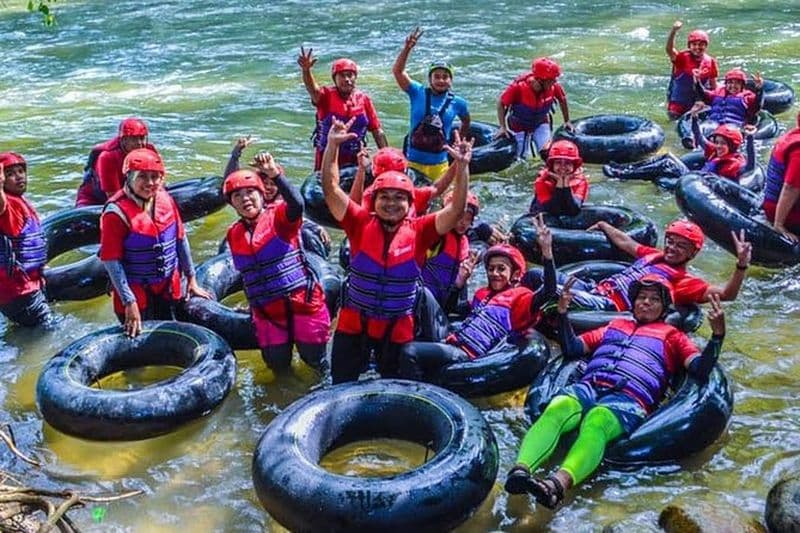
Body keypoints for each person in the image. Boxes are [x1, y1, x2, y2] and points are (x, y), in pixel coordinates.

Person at [505, 275, 727, 509]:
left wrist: (717, 336)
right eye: (642, 297)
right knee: (557, 408)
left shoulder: (674, 337)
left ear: (664, 307)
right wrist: (562, 315)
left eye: (653, 299)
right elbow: (573, 349)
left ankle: (556, 486)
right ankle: (521, 470)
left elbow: (700, 369)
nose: (646, 303)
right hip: (589, 386)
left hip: (628, 398)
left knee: (597, 421)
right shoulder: (614, 326)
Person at [321, 116, 472, 383]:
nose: (392, 203)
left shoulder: (421, 229)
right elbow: (331, 189)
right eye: (385, 198)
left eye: (399, 198)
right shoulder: (358, 222)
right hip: (354, 322)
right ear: (374, 199)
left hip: (396, 326)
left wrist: (461, 168)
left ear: (409, 201)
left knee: (393, 385)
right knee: (340, 383)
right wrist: (332, 146)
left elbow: (455, 209)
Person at [399, 218, 555, 381]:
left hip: (467, 355)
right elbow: (450, 311)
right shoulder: (482, 294)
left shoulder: (520, 298)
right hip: (452, 340)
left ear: (515, 275)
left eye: (501, 269)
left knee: (410, 351)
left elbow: (548, 292)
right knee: (423, 293)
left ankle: (417, 390)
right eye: (491, 269)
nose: (495, 273)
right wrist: (459, 283)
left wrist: (547, 253)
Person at [223, 153, 330, 372]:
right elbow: (247, 275)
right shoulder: (234, 234)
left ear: (261, 195)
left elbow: (297, 205)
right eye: (237, 196)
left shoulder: (279, 217)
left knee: (315, 363)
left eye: (250, 192)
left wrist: (275, 174)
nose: (245, 199)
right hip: (267, 312)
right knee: (278, 367)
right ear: (232, 203)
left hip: (302, 303)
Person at [522, 219, 751, 311]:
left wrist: (741, 266)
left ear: (692, 253)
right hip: (595, 288)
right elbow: (627, 243)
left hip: (608, 306)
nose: (672, 248)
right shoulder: (653, 255)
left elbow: (726, 294)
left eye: (681, 246)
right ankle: (509, 305)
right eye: (670, 241)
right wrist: (604, 225)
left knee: (550, 291)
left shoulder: (683, 282)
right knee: (534, 275)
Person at [99, 148, 211, 338]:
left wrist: (192, 279)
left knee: (172, 337)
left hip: (166, 288)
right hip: (135, 292)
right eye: (142, 177)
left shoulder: (165, 199)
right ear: (129, 177)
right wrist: (129, 301)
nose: (150, 183)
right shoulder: (115, 213)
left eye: (155, 177)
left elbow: (180, 240)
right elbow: (111, 260)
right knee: (137, 345)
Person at [392, 27, 471, 181]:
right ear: (430, 79)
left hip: (439, 164)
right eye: (437, 76)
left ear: (451, 80)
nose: (441, 80)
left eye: (445, 77)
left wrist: (459, 139)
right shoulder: (417, 92)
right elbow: (398, 72)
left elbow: (466, 120)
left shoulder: (458, 103)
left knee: (438, 202)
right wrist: (407, 49)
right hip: (413, 163)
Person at [298, 48, 387, 171]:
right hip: (327, 158)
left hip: (355, 158)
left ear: (355, 77)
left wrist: (386, 155)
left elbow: (377, 131)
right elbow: (312, 89)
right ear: (335, 79)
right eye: (342, 75)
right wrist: (306, 70)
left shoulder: (364, 99)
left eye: (350, 75)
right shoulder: (325, 96)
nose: (346, 79)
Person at [0, 153, 52, 327]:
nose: (19, 176)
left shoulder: (20, 201)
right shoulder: (9, 206)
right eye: (10, 174)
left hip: (28, 285)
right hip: (19, 291)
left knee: (29, 331)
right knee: (47, 331)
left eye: (21, 171)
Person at [497, 57, 572, 159]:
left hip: (540, 123)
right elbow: (501, 103)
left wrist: (567, 121)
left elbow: (562, 100)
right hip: (518, 126)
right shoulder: (518, 88)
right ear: (540, 80)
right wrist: (502, 126)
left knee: (548, 154)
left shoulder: (554, 87)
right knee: (520, 158)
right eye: (551, 80)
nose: (554, 81)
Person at [75, 117, 157, 206]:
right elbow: (113, 196)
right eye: (134, 139)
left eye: (142, 138)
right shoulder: (108, 157)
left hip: (130, 193)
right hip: (94, 201)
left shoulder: (150, 151)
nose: (139, 143)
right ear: (124, 140)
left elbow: (159, 183)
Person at [665, 21, 718, 119]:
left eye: (701, 44)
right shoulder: (682, 58)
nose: (697, 47)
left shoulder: (710, 61)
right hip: (678, 104)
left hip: (698, 104)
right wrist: (673, 31)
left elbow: (714, 86)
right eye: (694, 44)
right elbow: (669, 49)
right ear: (689, 46)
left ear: (706, 46)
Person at [763, 112, 800, 242]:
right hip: (784, 212)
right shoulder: (798, 150)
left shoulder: (792, 135)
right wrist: (779, 225)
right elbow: (790, 188)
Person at [529, 140, 588, 216]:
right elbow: (553, 211)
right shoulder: (542, 181)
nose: (563, 167)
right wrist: (559, 184)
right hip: (543, 210)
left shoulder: (581, 182)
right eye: (558, 162)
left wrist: (566, 184)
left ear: (574, 166)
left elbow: (574, 210)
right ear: (552, 165)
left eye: (567, 163)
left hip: (570, 209)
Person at [693, 68, 763, 129]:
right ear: (726, 84)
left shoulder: (747, 96)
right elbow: (703, 95)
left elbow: (757, 105)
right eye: (730, 83)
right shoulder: (717, 92)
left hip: (734, 126)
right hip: (712, 125)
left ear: (742, 85)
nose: (733, 86)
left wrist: (759, 89)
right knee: (705, 128)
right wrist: (697, 81)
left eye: (737, 83)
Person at [691, 119, 756, 181]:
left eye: (723, 143)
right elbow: (699, 137)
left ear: (732, 146)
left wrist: (750, 137)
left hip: (715, 189)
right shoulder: (714, 151)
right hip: (697, 181)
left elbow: (750, 167)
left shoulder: (735, 164)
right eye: (716, 142)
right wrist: (694, 118)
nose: (718, 146)